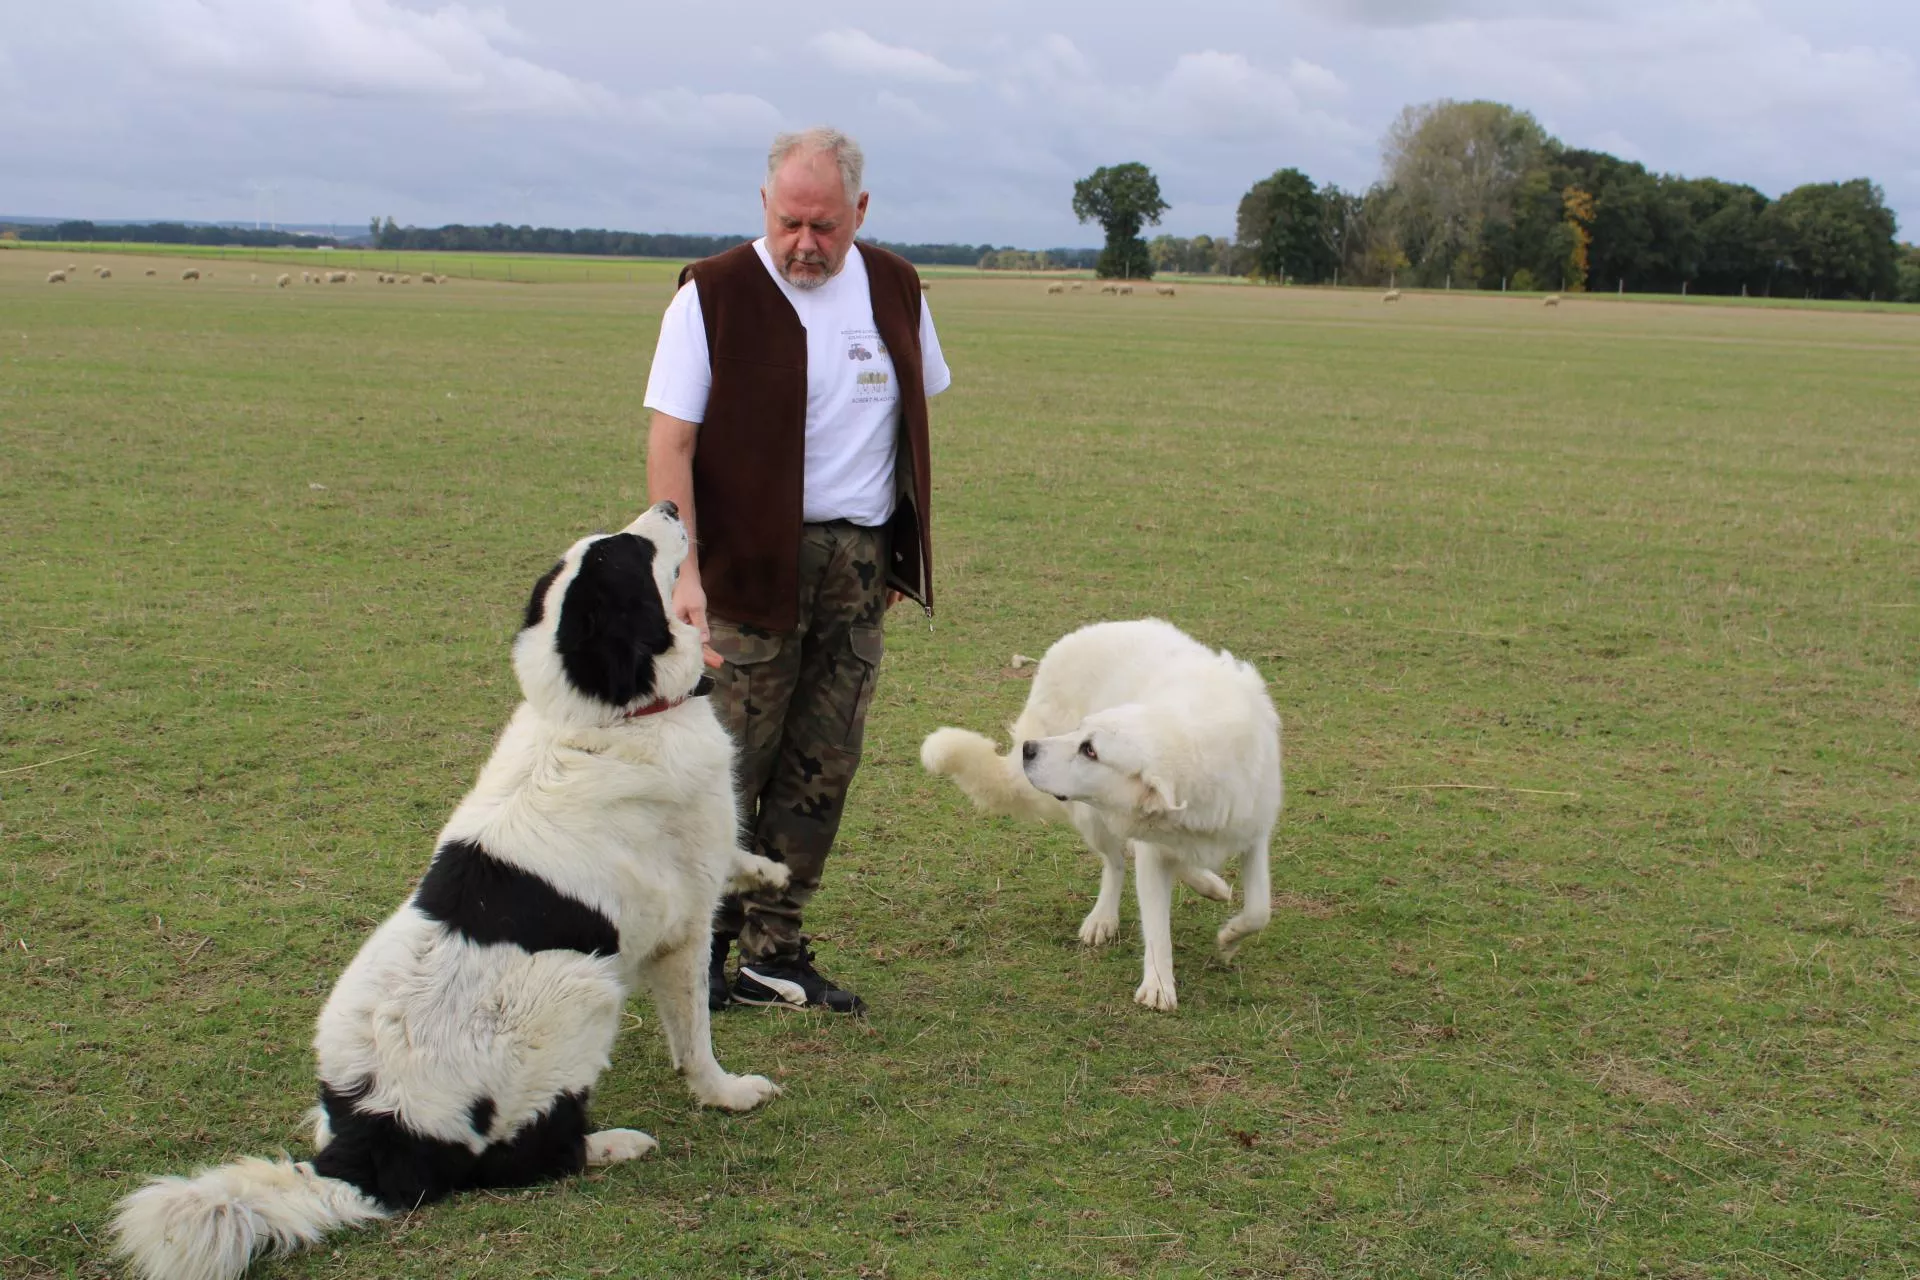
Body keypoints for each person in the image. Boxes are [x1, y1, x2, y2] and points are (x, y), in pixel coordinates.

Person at [643, 127, 951, 1014]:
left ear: (860, 212)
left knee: (825, 760)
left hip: (855, 563)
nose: (805, 244)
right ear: (763, 208)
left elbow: (904, 419)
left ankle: (774, 949)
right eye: (789, 222)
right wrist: (683, 569)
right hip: (742, 562)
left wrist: (896, 546)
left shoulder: (895, 286)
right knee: (731, 762)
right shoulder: (713, 295)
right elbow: (673, 438)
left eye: (824, 225)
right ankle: (692, 952)